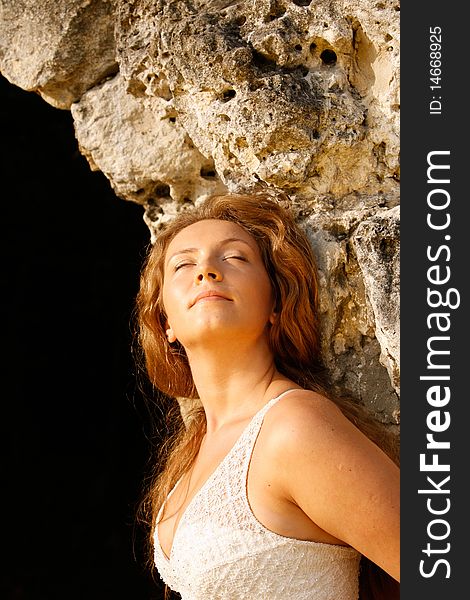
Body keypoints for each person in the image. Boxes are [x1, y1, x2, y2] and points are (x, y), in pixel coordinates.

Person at [134, 191, 400, 600]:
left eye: (235, 258)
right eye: (183, 264)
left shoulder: (295, 427)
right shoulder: (192, 452)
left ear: (275, 302)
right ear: (166, 321)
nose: (206, 270)